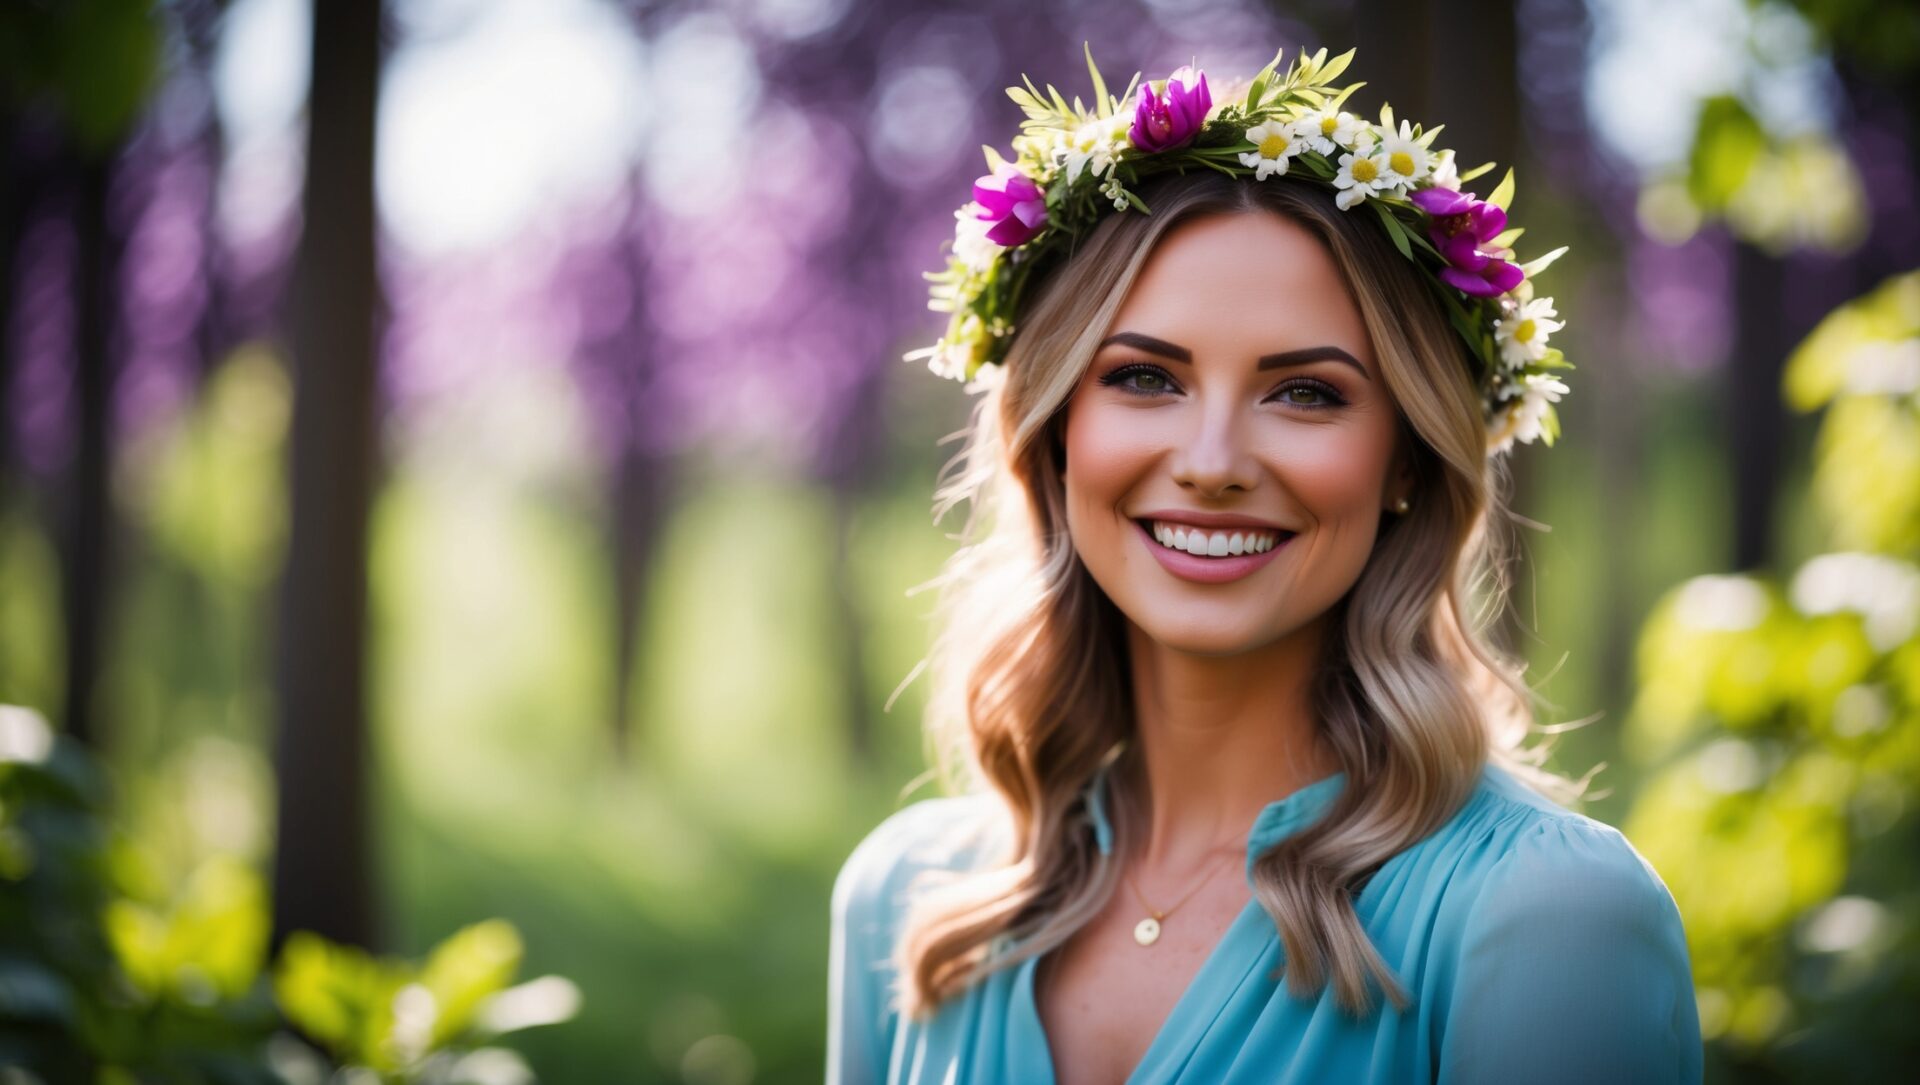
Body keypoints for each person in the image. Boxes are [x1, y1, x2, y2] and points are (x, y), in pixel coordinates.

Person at [828, 47, 1701, 1085]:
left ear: (1407, 463)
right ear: (1056, 432)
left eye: (1305, 393)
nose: (1210, 464)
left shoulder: (1547, 917)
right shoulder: (909, 898)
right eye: (1145, 376)